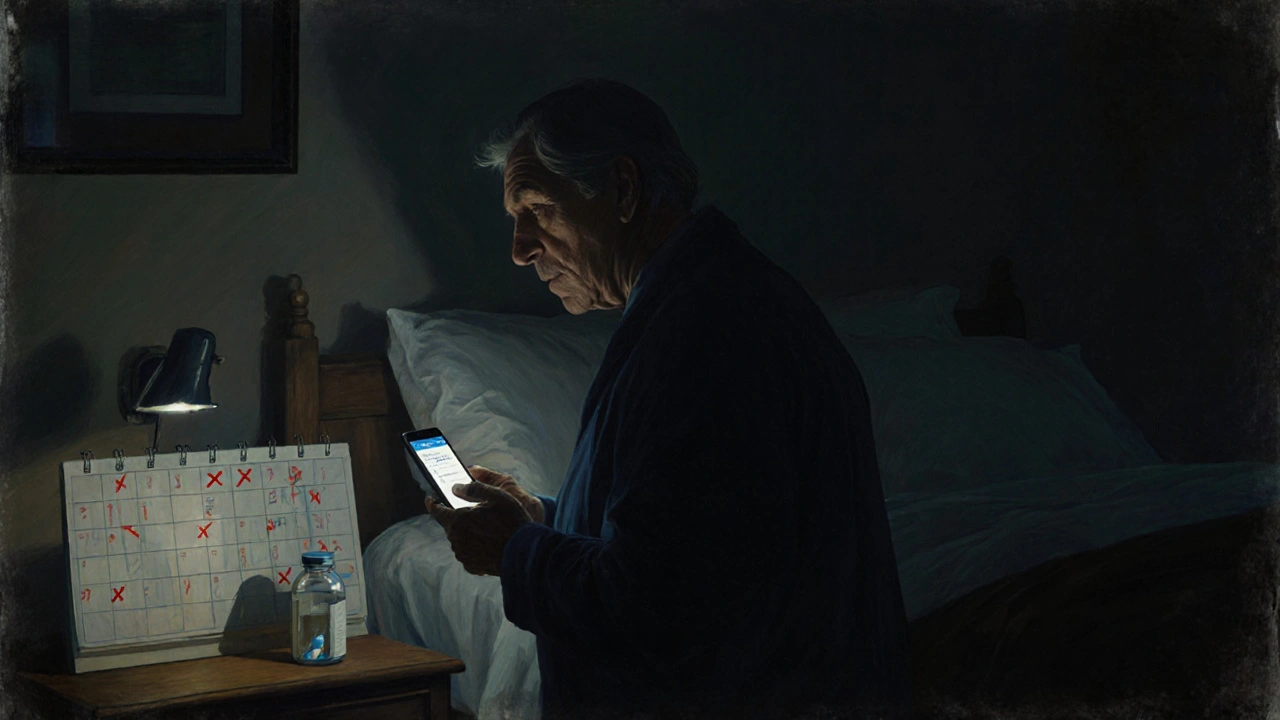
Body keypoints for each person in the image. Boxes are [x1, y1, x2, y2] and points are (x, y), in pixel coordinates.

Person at [427, 79, 910, 719]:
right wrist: (544, 519)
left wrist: (517, 550)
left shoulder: (708, 332)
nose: (519, 250)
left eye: (537, 208)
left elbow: (667, 614)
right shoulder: (704, 299)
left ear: (623, 190)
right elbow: (679, 534)